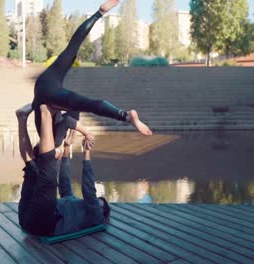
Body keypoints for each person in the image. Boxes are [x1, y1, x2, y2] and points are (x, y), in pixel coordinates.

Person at [32, 0, 153, 139]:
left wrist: (76, 136)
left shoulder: (50, 144)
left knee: (86, 104)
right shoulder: (50, 129)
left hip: (49, 96)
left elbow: (66, 122)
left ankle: (125, 116)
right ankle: (99, 13)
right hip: (46, 81)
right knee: (72, 48)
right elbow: (68, 119)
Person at [16, 104, 109, 236]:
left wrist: (87, 152)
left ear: (103, 210)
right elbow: (65, 184)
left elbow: (89, 190)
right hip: (27, 218)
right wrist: (66, 147)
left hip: (45, 224)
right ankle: (22, 117)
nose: (98, 200)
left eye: (101, 202)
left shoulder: (97, 216)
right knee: (32, 169)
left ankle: (46, 112)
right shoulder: (73, 201)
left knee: (48, 174)